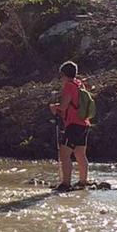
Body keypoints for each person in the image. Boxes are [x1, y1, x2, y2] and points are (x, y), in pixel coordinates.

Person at [48, 61, 90, 191]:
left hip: (73, 124)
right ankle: (83, 181)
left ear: (64, 75)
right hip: (84, 123)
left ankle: (65, 183)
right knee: (80, 154)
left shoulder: (69, 86)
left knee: (64, 153)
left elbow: (64, 106)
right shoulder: (79, 84)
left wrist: (54, 108)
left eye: (61, 76)